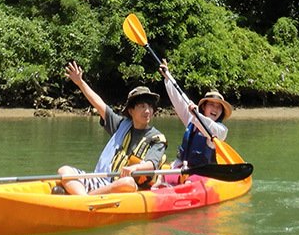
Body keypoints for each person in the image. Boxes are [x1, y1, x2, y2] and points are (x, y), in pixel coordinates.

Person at [56, 60, 168, 195]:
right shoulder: (121, 125)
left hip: (127, 186)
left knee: (127, 183)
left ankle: (85, 198)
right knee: (64, 170)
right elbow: (99, 104)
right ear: (131, 111)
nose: (147, 111)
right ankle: (85, 199)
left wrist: (136, 168)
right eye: (142, 106)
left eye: (150, 107)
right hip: (105, 180)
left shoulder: (157, 138)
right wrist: (80, 82)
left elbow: (152, 163)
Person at [159, 62, 232, 174]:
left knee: (188, 181)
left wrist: (197, 115)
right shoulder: (192, 119)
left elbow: (210, 128)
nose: (215, 109)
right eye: (211, 104)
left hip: (204, 173)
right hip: (183, 167)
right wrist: (168, 77)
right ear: (204, 106)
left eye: (218, 107)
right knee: (162, 173)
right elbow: (179, 100)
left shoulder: (221, 131)